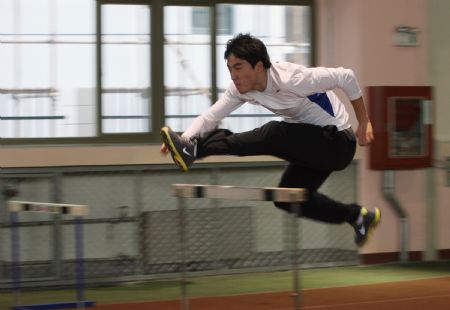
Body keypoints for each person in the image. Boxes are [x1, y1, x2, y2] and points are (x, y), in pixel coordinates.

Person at [160, 33, 380, 247]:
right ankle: (357, 217)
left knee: (274, 133)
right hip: (312, 145)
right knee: (286, 197)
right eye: (229, 69)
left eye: (238, 68)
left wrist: (364, 121)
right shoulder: (239, 90)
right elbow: (211, 116)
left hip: (338, 142)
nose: (233, 76)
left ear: (258, 66)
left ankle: (195, 151)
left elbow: (346, 76)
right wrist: (184, 139)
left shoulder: (291, 78)